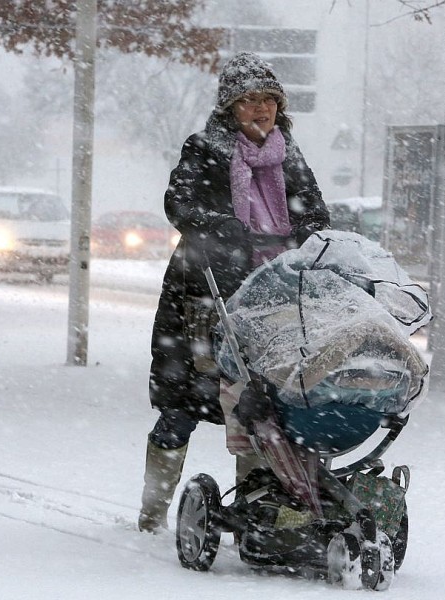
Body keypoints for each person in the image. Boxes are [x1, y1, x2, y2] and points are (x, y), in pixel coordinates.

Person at [138, 52, 330, 532]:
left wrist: (309, 234)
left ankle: (254, 512)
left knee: (262, 409)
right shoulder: (205, 148)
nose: (260, 108)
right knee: (182, 407)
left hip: (274, 297)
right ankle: (151, 513)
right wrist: (220, 227)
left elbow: (315, 212)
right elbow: (178, 202)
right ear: (230, 109)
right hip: (203, 298)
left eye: (268, 99)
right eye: (248, 101)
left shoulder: (289, 154)